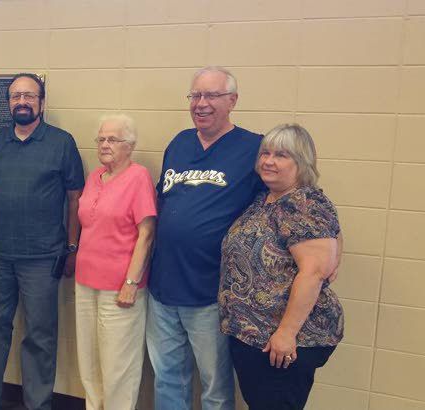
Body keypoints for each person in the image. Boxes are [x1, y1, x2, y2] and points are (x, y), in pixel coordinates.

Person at [146, 66, 262, 410]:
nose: (201, 103)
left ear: (233, 101)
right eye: (195, 95)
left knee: (214, 384)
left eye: (211, 95)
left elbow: (286, 203)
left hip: (211, 291)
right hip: (163, 287)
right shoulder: (179, 143)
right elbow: (162, 201)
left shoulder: (254, 147)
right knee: (167, 376)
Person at [0, 73, 85, 410]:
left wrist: (71, 247)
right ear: (8, 102)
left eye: (29, 95)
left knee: (40, 335)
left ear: (41, 101)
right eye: (15, 96)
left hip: (43, 258)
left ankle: (37, 404)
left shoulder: (61, 142)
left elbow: (75, 200)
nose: (21, 101)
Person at [219, 123, 343, 410]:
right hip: (254, 335)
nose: (268, 161)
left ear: (302, 163)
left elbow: (312, 271)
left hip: (282, 341)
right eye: (266, 153)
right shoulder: (267, 198)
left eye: (281, 155)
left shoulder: (304, 204)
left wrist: (286, 333)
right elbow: (332, 236)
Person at [75, 114, 157, 410]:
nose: (105, 145)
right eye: (101, 139)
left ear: (130, 146)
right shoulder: (94, 177)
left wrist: (131, 282)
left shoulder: (139, 177)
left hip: (120, 287)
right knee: (90, 361)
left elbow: (146, 234)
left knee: (118, 365)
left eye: (113, 139)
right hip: (85, 283)